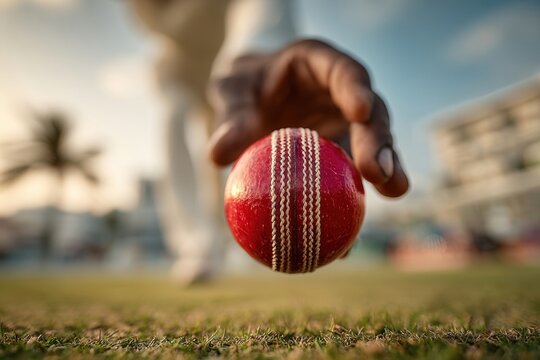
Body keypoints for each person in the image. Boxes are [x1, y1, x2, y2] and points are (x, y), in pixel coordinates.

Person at [128, 0, 409, 284]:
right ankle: (195, 244)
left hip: (234, 58)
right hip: (181, 66)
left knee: (219, 153)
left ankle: (217, 240)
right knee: (173, 117)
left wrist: (261, 48)